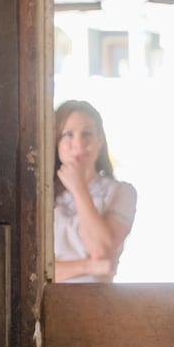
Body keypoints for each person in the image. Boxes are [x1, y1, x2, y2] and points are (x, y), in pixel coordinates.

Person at [53, 100, 137, 283]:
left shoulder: (122, 192)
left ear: (100, 140)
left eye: (87, 134)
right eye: (68, 134)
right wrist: (89, 266)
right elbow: (33, 271)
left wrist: (79, 188)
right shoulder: (41, 195)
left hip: (98, 304)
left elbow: (101, 250)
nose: (78, 144)